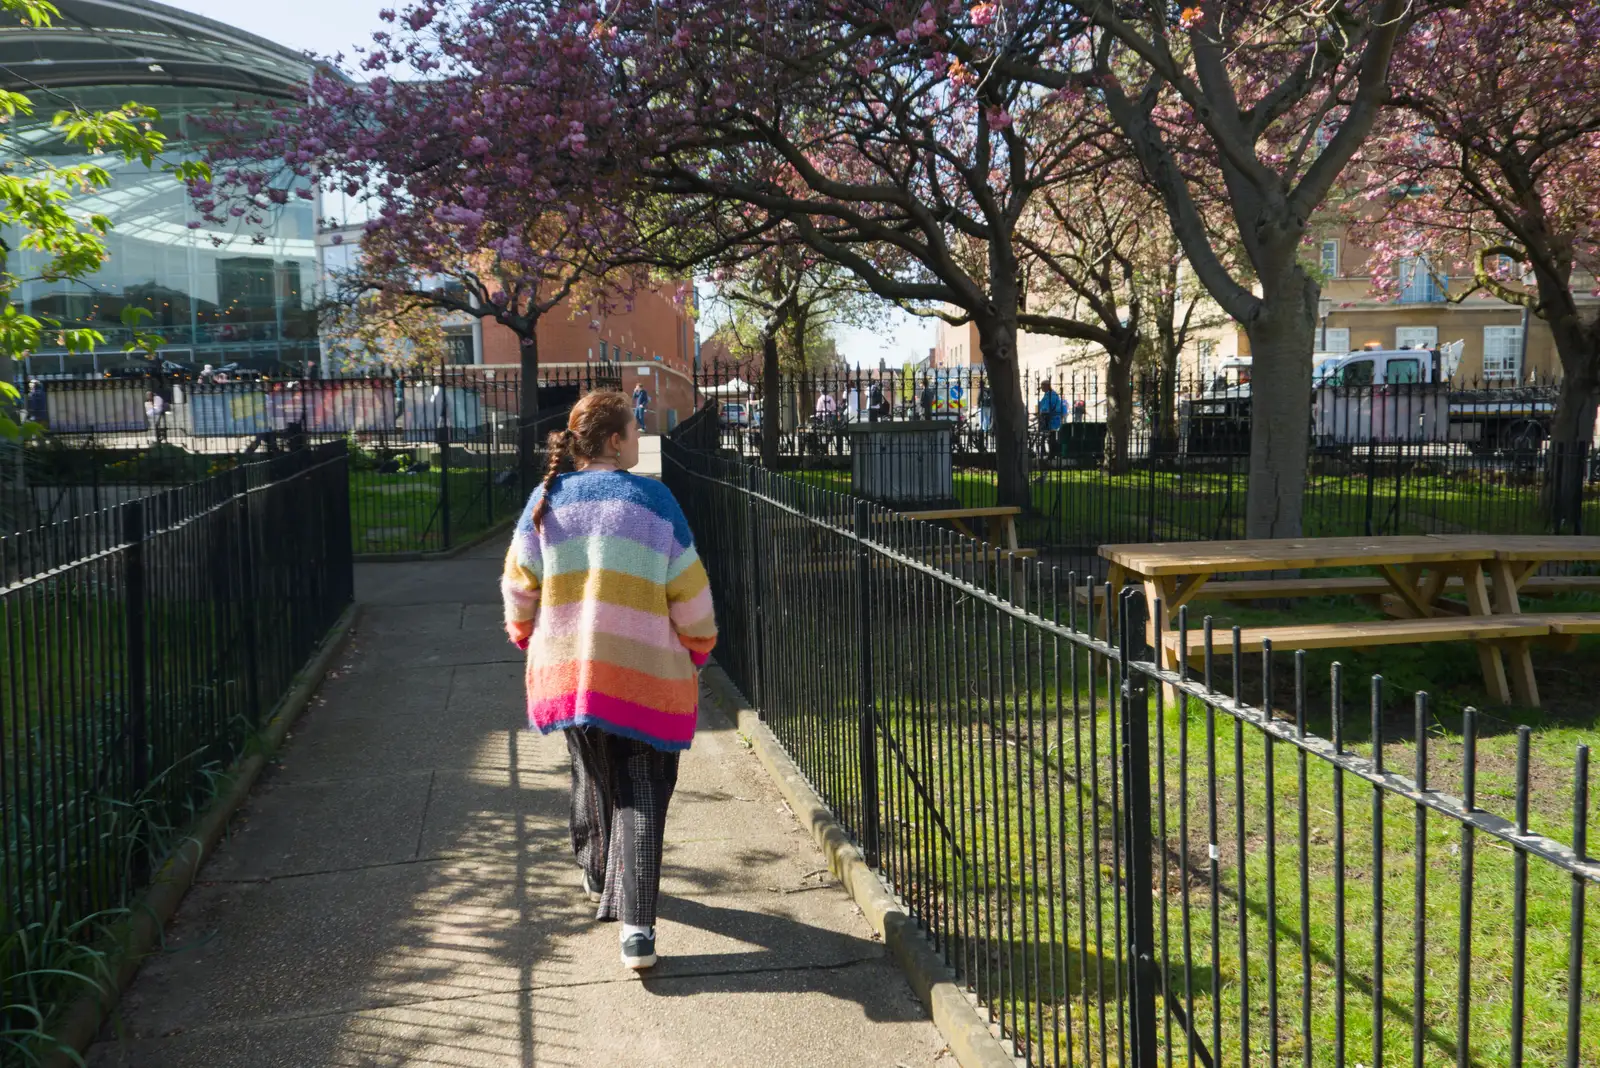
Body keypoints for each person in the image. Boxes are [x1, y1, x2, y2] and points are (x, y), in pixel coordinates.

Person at [502, 390, 717, 972]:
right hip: (642, 674)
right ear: (616, 441)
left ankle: (600, 878)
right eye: (635, 426)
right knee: (643, 791)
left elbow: (519, 586)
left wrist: (528, 636)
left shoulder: (546, 501)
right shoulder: (652, 501)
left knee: (593, 775)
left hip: (567, 670)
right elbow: (690, 595)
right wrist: (698, 647)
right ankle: (637, 930)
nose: (641, 433)